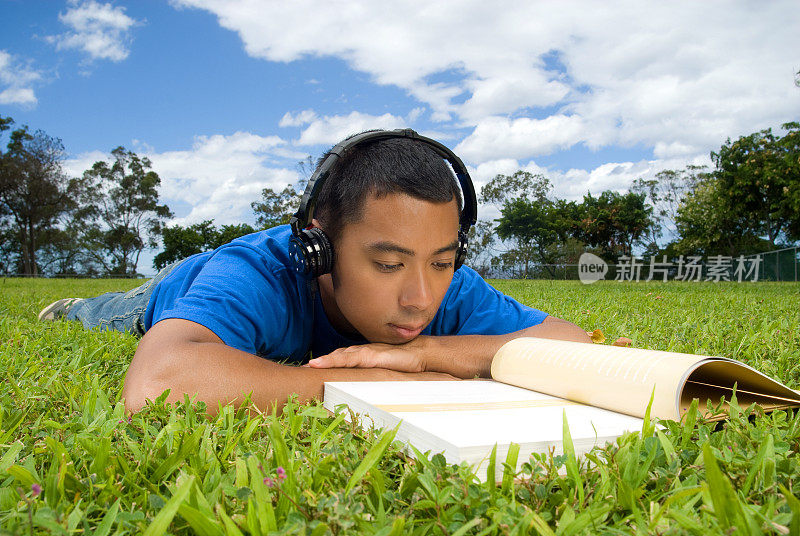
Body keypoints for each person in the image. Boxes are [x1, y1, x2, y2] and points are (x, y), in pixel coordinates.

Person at [39, 129, 590, 414]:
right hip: (175, 287)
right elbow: (159, 383)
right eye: (389, 264)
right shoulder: (257, 272)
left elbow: (570, 340)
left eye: (442, 261)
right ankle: (76, 306)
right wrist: (366, 381)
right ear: (318, 250)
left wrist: (425, 355)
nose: (422, 296)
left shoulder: (445, 286)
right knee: (112, 311)